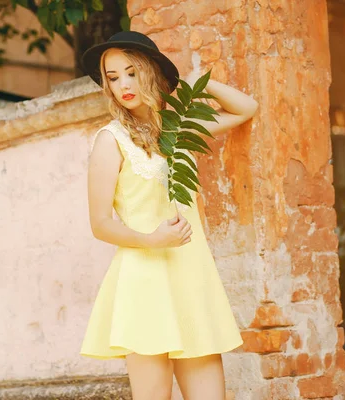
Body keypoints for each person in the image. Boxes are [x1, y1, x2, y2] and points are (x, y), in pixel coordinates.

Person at [79, 31, 259, 400]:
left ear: (151, 71)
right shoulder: (110, 140)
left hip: (191, 278)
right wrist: (151, 240)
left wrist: (195, 84)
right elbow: (100, 224)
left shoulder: (179, 129)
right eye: (112, 77)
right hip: (143, 282)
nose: (122, 85)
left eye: (131, 72)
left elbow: (245, 109)